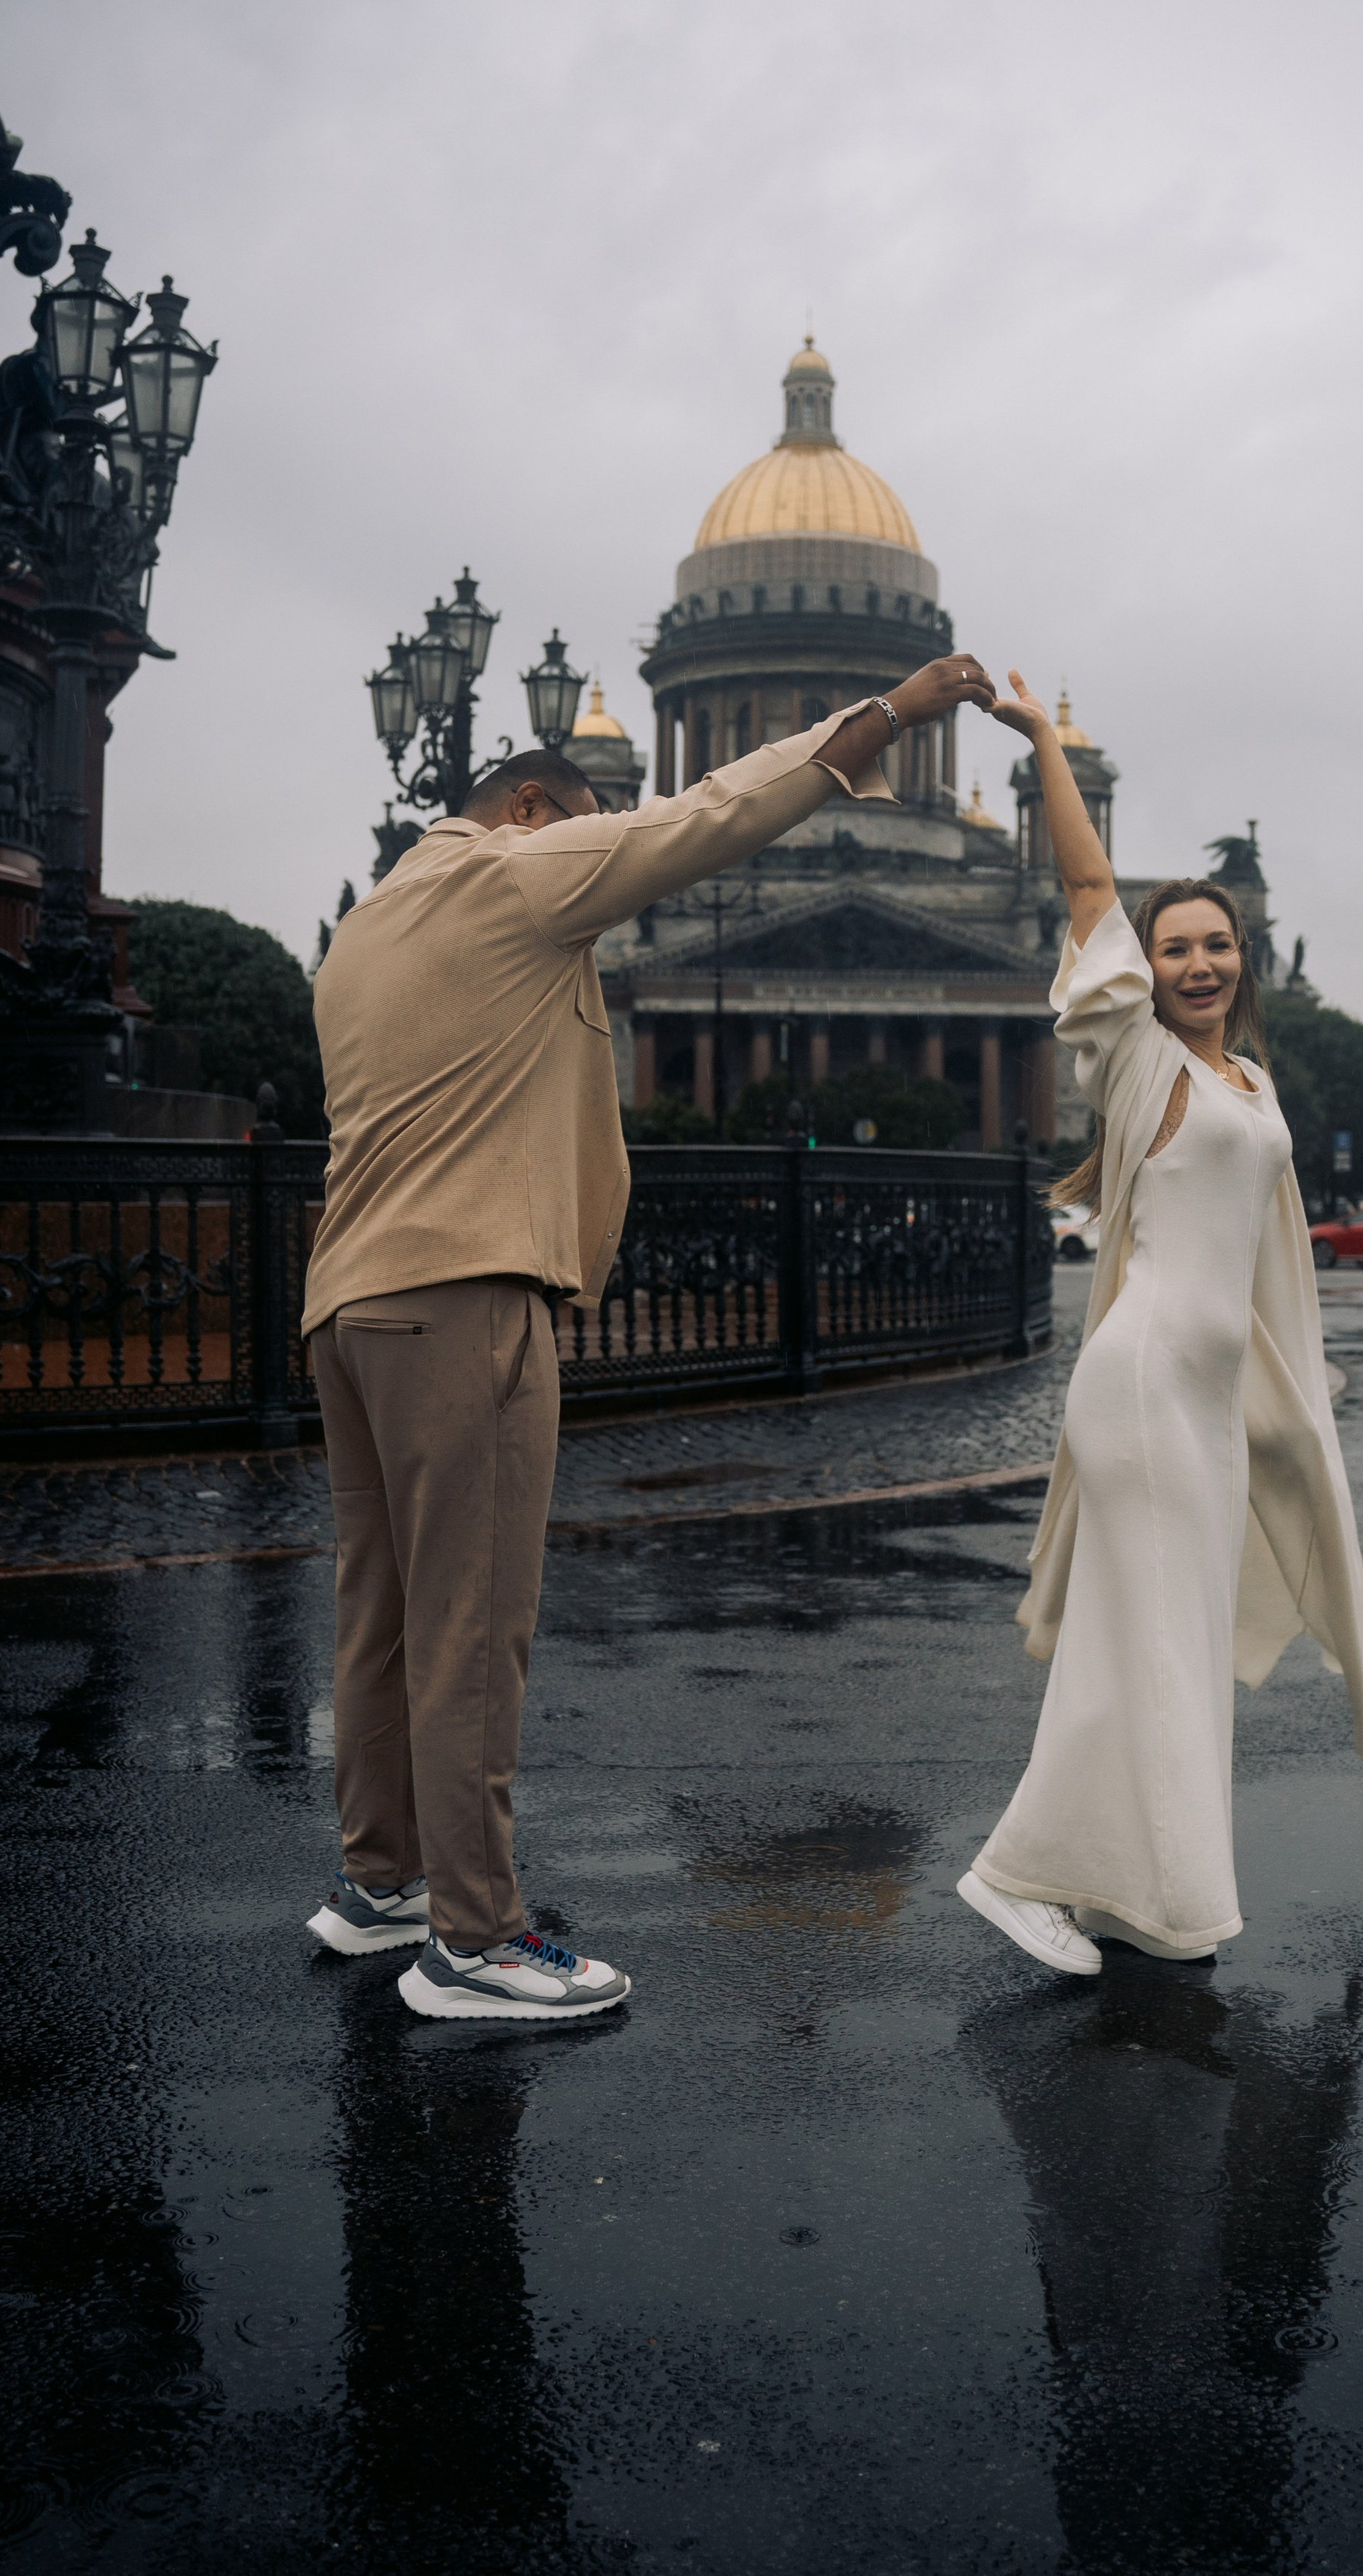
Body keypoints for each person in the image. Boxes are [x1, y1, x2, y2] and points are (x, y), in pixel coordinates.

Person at [303, 657, 997, 2020]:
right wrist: (888, 722)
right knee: (472, 1626)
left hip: (354, 1304)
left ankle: (380, 1884)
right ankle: (478, 1941)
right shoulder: (518, 877)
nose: (590, 850)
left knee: (380, 1611)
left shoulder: (369, 928)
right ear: (529, 814)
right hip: (465, 1296)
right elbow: (710, 815)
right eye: (576, 821)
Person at [957, 669, 1363, 1979]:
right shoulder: (1139, 1058)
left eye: (1215, 944)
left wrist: (1295, 1380)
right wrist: (1040, 744)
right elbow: (1089, 895)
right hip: (1140, 1390)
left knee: (1169, 1646)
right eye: (1174, 945)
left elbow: (1264, 1251)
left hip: (1203, 1400)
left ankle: (1143, 1889)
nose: (1196, 963)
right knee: (1135, 1645)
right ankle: (1017, 1874)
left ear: (1241, 958)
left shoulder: (1244, 1076)